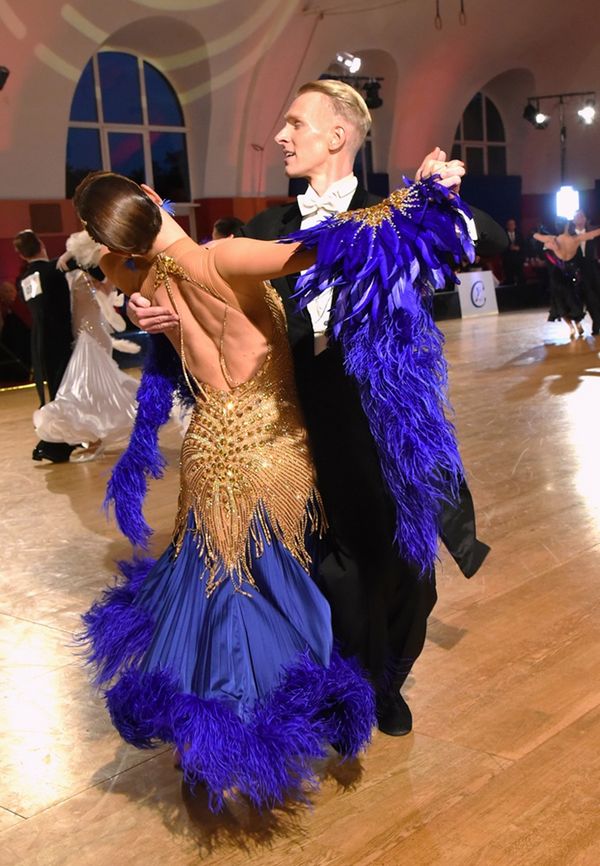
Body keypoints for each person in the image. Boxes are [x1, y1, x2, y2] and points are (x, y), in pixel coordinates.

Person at [75, 165, 473, 811]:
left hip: (206, 452)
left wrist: (129, 284)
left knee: (208, 596)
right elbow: (329, 247)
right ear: (154, 199)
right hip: (268, 451)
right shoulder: (222, 257)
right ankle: (240, 737)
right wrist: (420, 195)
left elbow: (112, 265)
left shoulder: (135, 278)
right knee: (262, 599)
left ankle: (200, 747)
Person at [126, 80, 496, 738]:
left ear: (339, 136)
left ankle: (389, 679)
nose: (281, 137)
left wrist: (445, 196)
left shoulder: (398, 211)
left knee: (413, 577)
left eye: (296, 123)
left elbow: (480, 238)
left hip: (389, 424)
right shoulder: (269, 230)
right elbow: (200, 293)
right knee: (336, 576)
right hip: (306, 426)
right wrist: (158, 314)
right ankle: (354, 687)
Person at [32, 230, 139, 461]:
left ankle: (95, 440)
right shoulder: (75, 275)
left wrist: (95, 280)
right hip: (81, 336)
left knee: (87, 390)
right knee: (91, 391)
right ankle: (95, 437)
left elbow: (107, 291)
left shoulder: (97, 277)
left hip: (92, 338)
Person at [13, 229, 76, 463]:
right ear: (40, 243)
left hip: (37, 341)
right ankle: (54, 443)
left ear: (20, 254)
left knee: (50, 391)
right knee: (62, 390)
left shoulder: (23, 280)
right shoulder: (53, 269)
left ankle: (54, 440)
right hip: (58, 339)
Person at [534, 222, 600, 338]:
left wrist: (541, 235)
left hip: (557, 276)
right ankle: (578, 324)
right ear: (566, 227)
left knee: (560, 303)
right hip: (570, 274)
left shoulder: (552, 240)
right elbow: (593, 234)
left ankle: (571, 328)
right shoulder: (575, 240)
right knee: (573, 301)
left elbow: (536, 236)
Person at [572, 209, 600, 335]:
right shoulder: (570, 235)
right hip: (580, 269)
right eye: (577, 216)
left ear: (585, 219)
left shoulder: (593, 231)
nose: (579, 218)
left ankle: (597, 321)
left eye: (581, 216)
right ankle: (596, 321)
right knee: (589, 298)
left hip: (593, 266)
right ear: (573, 220)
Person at [502, 217, 525, 285]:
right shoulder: (503, 235)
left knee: (520, 278)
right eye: (510, 224)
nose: (511, 226)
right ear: (507, 225)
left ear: (515, 225)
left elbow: (524, 246)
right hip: (508, 261)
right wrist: (509, 248)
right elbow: (501, 246)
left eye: (513, 224)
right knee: (509, 279)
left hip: (518, 260)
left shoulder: (519, 234)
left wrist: (518, 248)